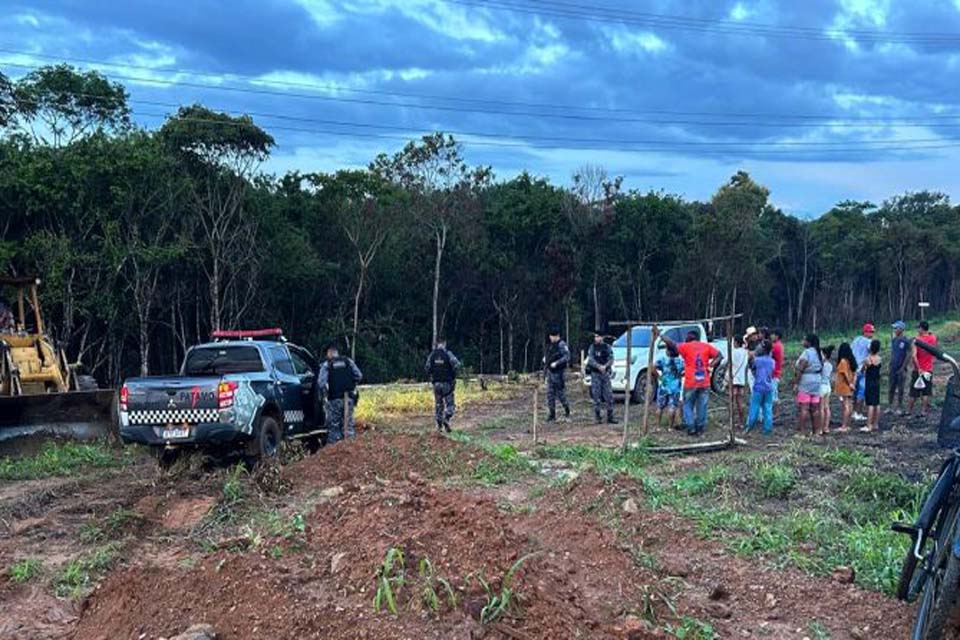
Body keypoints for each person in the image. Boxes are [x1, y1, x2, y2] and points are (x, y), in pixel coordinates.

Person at [661, 330, 721, 436]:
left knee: (687, 404)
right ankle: (700, 427)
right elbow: (719, 355)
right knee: (702, 405)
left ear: (688, 339)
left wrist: (660, 335)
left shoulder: (686, 346)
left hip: (691, 382)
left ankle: (691, 426)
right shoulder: (706, 346)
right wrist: (710, 365)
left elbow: (671, 343)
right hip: (704, 381)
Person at [317, 342, 363, 444]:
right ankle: (350, 448)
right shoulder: (348, 361)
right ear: (337, 352)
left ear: (329, 353)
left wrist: (325, 393)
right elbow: (359, 376)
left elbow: (321, 383)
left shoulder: (327, 365)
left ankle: (335, 451)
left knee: (334, 426)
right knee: (348, 425)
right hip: (349, 398)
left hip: (334, 400)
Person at [426, 338, 461, 433]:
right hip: (447, 384)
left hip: (436, 384)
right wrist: (453, 374)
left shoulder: (432, 355)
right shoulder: (448, 354)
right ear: (444, 344)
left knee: (438, 405)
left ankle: (439, 426)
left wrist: (432, 375)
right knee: (450, 404)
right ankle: (446, 418)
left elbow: (427, 368)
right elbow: (457, 365)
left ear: (436, 344)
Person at [744, 340, 776, 435]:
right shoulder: (772, 361)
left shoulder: (757, 360)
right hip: (769, 387)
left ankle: (749, 426)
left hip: (758, 387)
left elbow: (751, 366)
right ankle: (767, 429)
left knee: (754, 407)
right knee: (768, 408)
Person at [795, 334, 824, 436]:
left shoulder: (807, 353)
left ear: (809, 342)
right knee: (815, 408)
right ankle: (816, 431)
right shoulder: (819, 352)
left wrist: (796, 382)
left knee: (804, 408)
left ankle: (801, 432)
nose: (803, 342)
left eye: (804, 340)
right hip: (816, 381)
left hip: (806, 381)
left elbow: (801, 367)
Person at [586, 332, 617, 424]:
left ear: (602, 337)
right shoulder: (592, 347)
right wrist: (598, 366)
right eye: (595, 337)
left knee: (609, 395)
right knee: (596, 395)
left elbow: (611, 359)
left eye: (598, 336)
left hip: (605, 373)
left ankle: (610, 417)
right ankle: (597, 417)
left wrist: (605, 366)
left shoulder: (607, 347)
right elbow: (590, 359)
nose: (596, 338)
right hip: (595, 374)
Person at [909, 320, 938, 418]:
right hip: (928, 369)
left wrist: (918, 368)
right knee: (926, 391)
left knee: (913, 392)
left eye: (918, 328)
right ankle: (923, 411)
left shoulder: (916, 340)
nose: (917, 329)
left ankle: (909, 410)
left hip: (918, 369)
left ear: (921, 328)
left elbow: (913, 356)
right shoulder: (933, 338)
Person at [544, 326, 571, 423]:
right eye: (550, 336)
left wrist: (557, 363)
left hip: (558, 373)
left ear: (557, 336)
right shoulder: (551, 345)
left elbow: (567, 356)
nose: (551, 338)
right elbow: (548, 355)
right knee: (549, 394)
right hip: (550, 373)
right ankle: (552, 414)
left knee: (560, 394)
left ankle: (567, 410)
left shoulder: (561, 344)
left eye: (552, 336)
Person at [655, 343, 684, 430]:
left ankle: (657, 426)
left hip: (664, 385)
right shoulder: (680, 361)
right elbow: (685, 370)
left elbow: (652, 366)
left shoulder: (663, 360)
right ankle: (670, 427)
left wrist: (659, 377)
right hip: (675, 386)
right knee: (672, 406)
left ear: (667, 351)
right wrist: (679, 375)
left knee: (660, 406)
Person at [851, 324, 874, 422]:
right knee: (861, 392)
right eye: (871, 332)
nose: (872, 334)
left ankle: (852, 411)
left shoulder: (856, 339)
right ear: (865, 332)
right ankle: (858, 412)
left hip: (853, 368)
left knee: (853, 391)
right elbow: (872, 350)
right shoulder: (869, 342)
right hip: (863, 369)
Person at [887, 321, 911, 415]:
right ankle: (890, 406)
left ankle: (900, 407)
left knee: (901, 388)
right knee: (891, 387)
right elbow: (893, 354)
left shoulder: (906, 341)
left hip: (901, 368)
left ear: (901, 329)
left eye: (896, 328)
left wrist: (903, 367)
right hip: (893, 366)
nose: (894, 330)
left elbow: (909, 354)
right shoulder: (894, 340)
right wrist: (889, 365)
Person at [834, 343, 857, 433]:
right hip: (849, 385)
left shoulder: (843, 361)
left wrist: (849, 384)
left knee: (845, 405)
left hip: (844, 386)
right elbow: (855, 373)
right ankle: (847, 424)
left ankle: (844, 426)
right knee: (849, 405)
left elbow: (844, 374)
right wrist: (853, 384)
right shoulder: (851, 361)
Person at [862, 339, 882, 432]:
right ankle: (876, 424)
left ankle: (868, 425)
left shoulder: (868, 359)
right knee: (876, 403)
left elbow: (863, 369)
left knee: (870, 404)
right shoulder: (879, 358)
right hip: (877, 382)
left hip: (869, 382)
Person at [730, 335, 748, 425]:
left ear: (736, 342)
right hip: (741, 379)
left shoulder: (733, 352)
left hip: (733, 378)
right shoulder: (745, 352)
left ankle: (732, 421)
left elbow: (727, 363)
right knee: (740, 401)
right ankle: (741, 421)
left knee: (732, 401)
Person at [820, 345, 835, 433]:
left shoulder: (822, 365)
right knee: (827, 407)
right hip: (828, 387)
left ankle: (821, 428)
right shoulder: (830, 365)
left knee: (821, 408)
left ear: (825, 355)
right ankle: (826, 427)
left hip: (821, 387)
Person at [770, 329, 785, 420]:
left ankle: (776, 412)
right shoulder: (779, 345)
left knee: (773, 394)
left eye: (773, 335)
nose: (771, 336)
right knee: (774, 393)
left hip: (774, 373)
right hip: (776, 372)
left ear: (777, 336)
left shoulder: (776, 346)